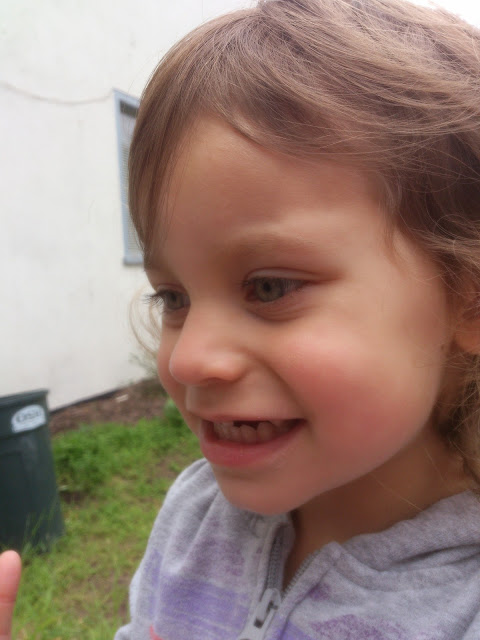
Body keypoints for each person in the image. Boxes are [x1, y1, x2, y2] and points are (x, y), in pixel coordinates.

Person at [3, 0, 480, 637]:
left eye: (270, 287)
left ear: (468, 300)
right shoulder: (194, 518)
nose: (187, 359)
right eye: (173, 298)